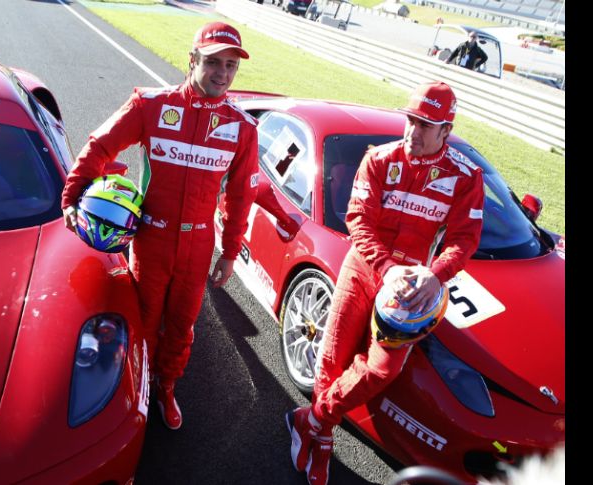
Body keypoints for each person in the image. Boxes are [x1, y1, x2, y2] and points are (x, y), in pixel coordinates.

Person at [60, 22, 259, 430]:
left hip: (199, 243)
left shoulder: (242, 127)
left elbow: (241, 197)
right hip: (151, 237)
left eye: (230, 66)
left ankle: (166, 387)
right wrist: (72, 195)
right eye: (213, 62)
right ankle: (137, 385)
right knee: (144, 320)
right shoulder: (151, 104)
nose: (222, 73)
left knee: (183, 326)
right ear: (192, 61)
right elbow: (101, 145)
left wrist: (231, 252)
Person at [285, 81, 485, 485]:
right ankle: (323, 439)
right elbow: (357, 219)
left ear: (446, 130)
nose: (413, 131)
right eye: (410, 120)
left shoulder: (466, 176)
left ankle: (313, 418)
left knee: (382, 369)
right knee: (331, 358)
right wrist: (387, 266)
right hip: (363, 267)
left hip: (411, 287)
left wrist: (435, 273)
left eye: (426, 125)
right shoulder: (378, 159)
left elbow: (466, 240)